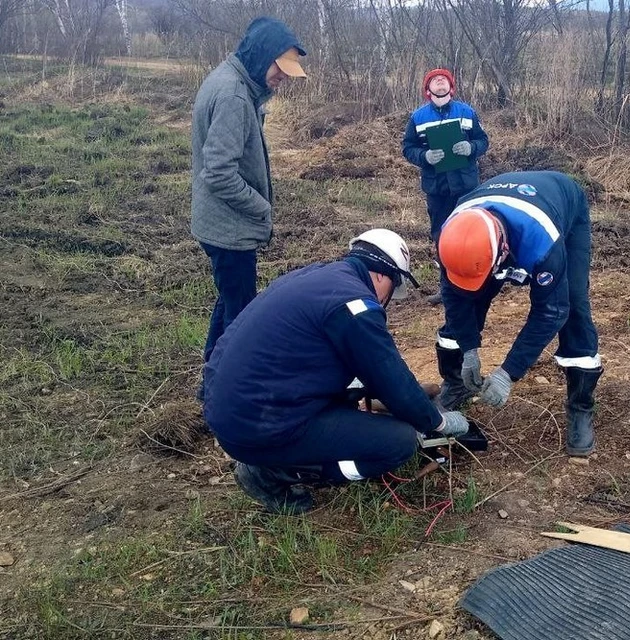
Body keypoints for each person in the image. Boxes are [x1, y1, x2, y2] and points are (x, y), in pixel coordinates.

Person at [202, 229, 471, 514]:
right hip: (258, 426)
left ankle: (282, 454)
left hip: (230, 409)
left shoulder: (315, 277)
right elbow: (390, 378)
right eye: (394, 288)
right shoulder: (355, 306)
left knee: (352, 394)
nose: (387, 299)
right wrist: (437, 422)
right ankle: (275, 472)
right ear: (382, 276)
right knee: (399, 443)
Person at [436, 171, 603, 457]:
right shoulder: (451, 238)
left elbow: (551, 311)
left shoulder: (542, 242)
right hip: (497, 217)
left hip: (562, 203)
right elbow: (454, 298)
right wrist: (469, 351)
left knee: (573, 305)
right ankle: (456, 384)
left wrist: (507, 374)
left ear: (502, 251)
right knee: (467, 300)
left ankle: (580, 406)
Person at [190, 17, 307, 398]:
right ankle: (229, 392)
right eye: (280, 69)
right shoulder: (234, 96)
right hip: (229, 227)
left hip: (224, 224)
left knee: (231, 300)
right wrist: (260, 206)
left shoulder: (236, 84)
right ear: (261, 57)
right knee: (241, 315)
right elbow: (218, 172)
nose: (284, 78)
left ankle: (212, 380)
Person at [402, 68, 489, 306]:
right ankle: (447, 289)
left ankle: (479, 284)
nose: (439, 82)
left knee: (472, 235)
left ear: (451, 87)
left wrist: (471, 148)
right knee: (442, 238)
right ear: (427, 90)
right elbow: (408, 148)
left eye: (444, 80)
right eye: (434, 80)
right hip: (437, 189)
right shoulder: (418, 117)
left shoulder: (467, 112)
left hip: (466, 187)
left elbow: (483, 140)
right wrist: (425, 156)